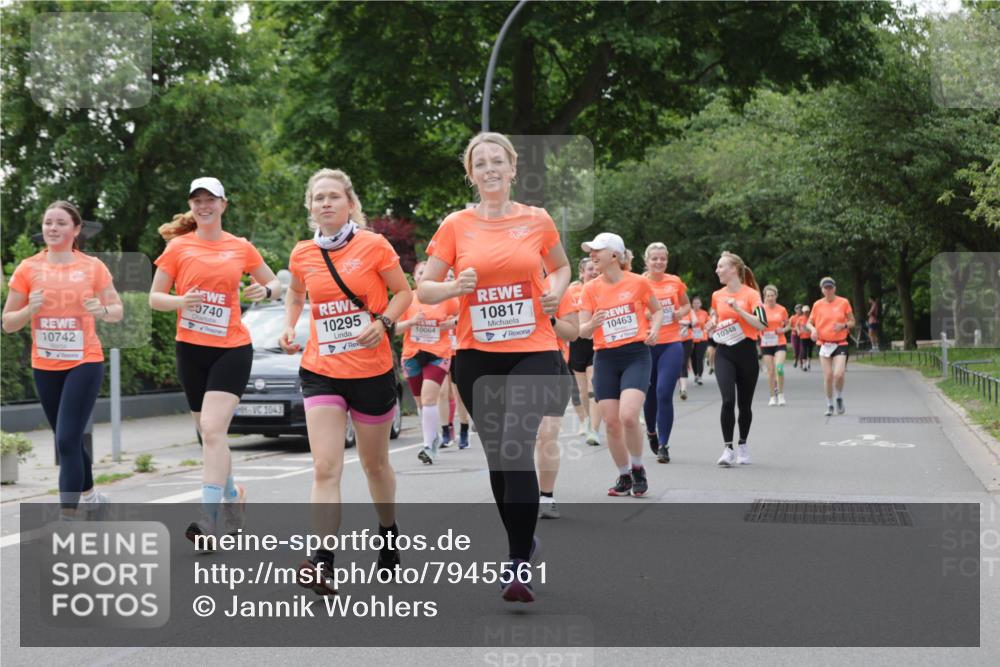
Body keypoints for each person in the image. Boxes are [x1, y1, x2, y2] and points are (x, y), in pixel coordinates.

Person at [418, 132, 571, 603]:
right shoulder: (455, 225)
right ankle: (523, 544)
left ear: (511, 168)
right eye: (479, 163)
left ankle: (518, 562)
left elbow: (561, 267)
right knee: (499, 460)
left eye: (496, 161)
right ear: (471, 174)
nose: (488, 169)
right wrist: (452, 289)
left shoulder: (537, 219)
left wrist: (557, 290)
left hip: (534, 348)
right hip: (477, 355)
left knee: (515, 446)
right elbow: (425, 289)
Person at [279, 168, 413, 593]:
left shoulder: (373, 245)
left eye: (334, 196)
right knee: (325, 466)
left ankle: (388, 534)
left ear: (350, 203)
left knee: (375, 465)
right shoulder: (302, 253)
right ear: (310, 207)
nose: (326, 204)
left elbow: (404, 292)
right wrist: (289, 326)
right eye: (318, 198)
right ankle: (322, 561)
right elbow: (297, 293)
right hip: (321, 370)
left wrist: (386, 321)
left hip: (371, 371)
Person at [150, 178, 282, 541]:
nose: (204, 205)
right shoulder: (178, 248)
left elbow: (276, 284)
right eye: (198, 200)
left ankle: (208, 521)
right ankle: (232, 495)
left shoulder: (240, 247)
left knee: (211, 429)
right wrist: (181, 302)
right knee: (210, 435)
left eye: (211, 199)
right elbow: (155, 298)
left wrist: (265, 289)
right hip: (190, 349)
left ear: (224, 204)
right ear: (191, 206)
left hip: (232, 348)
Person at [3, 201, 124, 516]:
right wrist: (30, 309)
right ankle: (93, 500)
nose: (52, 228)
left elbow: (117, 310)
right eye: (48, 223)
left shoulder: (93, 267)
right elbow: (8, 323)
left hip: (84, 361)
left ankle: (68, 517)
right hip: (44, 365)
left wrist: (103, 310)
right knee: (67, 438)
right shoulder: (28, 268)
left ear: (76, 229)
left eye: (60, 223)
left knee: (67, 439)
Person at [578, 233, 663, 495]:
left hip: (635, 355)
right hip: (605, 357)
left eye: (597, 251)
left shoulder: (638, 283)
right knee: (611, 422)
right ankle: (624, 475)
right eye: (591, 251)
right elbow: (582, 330)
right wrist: (592, 324)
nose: (592, 255)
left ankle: (638, 468)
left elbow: (657, 310)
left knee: (628, 415)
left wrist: (656, 329)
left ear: (614, 255)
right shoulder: (590, 288)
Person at [396, 260, 459, 464]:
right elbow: (394, 328)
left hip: (438, 352)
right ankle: (432, 437)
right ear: (415, 277)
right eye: (420, 272)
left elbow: (463, 316)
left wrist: (451, 324)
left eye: (427, 272)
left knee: (429, 397)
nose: (424, 275)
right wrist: (411, 322)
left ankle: (428, 445)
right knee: (421, 404)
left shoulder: (446, 299)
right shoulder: (408, 300)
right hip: (412, 354)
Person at [709, 251, 767, 466]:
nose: (717, 270)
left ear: (733, 269)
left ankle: (742, 444)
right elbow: (717, 317)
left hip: (746, 351)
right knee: (727, 400)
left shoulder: (751, 294)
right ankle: (727, 449)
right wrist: (712, 323)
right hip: (724, 351)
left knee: (744, 405)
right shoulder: (717, 295)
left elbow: (761, 324)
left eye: (721, 266)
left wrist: (740, 310)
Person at [639, 242, 688, 464]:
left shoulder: (674, 282)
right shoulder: (639, 283)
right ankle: (651, 432)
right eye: (654, 258)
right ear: (646, 260)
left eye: (662, 258)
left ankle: (663, 445)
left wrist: (679, 312)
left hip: (671, 342)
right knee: (649, 395)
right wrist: (646, 316)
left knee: (663, 392)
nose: (659, 262)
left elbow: (686, 305)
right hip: (647, 344)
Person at [535, 286, 581, 519]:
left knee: (547, 435)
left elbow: (573, 332)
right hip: (511, 371)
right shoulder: (501, 286)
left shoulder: (558, 290)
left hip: (552, 366)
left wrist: (550, 319)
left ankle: (546, 496)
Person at [806, 277, 855, 416]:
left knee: (838, 374)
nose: (828, 290)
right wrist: (813, 330)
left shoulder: (843, 302)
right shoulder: (817, 305)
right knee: (828, 376)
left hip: (840, 343)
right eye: (825, 288)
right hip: (823, 344)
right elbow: (809, 323)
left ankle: (838, 397)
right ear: (822, 290)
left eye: (830, 287)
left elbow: (852, 321)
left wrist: (843, 325)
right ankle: (829, 404)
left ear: (834, 288)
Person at [567, 257, 602, 446]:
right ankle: (586, 420)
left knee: (592, 385)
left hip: (597, 342)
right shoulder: (572, 291)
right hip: (577, 343)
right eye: (590, 269)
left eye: (596, 267)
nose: (594, 271)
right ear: (582, 272)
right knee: (581, 389)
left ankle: (594, 429)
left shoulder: (602, 288)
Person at [760, 285, 790, 406]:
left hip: (779, 342)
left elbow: (788, 325)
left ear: (776, 296)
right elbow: (756, 324)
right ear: (765, 297)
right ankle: (772, 396)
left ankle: (781, 394)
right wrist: (760, 331)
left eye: (772, 295)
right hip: (766, 343)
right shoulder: (760, 309)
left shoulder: (782, 309)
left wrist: (783, 330)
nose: (770, 298)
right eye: (768, 296)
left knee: (779, 368)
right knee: (771, 371)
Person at [687, 297, 710, 384]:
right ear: (692, 304)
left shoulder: (704, 313)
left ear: (700, 304)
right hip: (691, 338)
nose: (696, 305)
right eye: (694, 303)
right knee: (693, 357)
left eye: (698, 303)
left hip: (702, 338)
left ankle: (699, 376)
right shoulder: (689, 313)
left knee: (699, 357)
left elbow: (709, 322)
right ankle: (696, 374)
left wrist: (707, 328)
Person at [798, 304, 813, 371]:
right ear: (803, 312)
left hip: (810, 336)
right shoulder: (800, 318)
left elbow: (815, 325)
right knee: (804, 350)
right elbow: (797, 325)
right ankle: (804, 364)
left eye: (807, 311)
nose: (806, 312)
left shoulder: (811, 318)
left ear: (809, 311)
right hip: (803, 336)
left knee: (809, 350)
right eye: (805, 311)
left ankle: (808, 363)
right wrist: (798, 331)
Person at [790, 304, 803, 368]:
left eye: (800, 309)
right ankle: (795, 359)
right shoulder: (792, 317)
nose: (799, 310)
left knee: (801, 349)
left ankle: (801, 362)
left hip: (802, 335)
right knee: (795, 349)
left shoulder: (804, 317)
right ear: (795, 310)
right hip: (794, 335)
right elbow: (789, 327)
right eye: (797, 309)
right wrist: (795, 329)